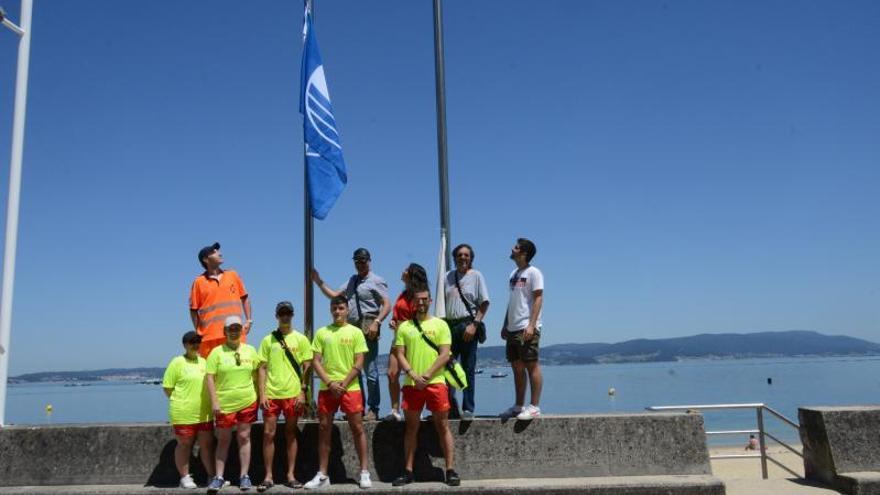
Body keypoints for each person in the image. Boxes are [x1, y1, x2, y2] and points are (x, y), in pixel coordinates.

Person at [311, 248, 391, 421]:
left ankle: (374, 408)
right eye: (357, 261)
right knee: (355, 371)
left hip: (369, 326)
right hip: (352, 328)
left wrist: (377, 322)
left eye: (363, 260)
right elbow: (334, 295)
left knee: (370, 370)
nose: (360, 264)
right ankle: (358, 409)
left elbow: (386, 304)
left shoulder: (377, 280)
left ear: (369, 260)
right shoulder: (351, 281)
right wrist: (318, 281)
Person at [392, 287, 460, 487]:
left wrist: (428, 374)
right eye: (417, 300)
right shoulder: (404, 327)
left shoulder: (441, 325)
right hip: (412, 384)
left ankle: (450, 470)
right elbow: (400, 354)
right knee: (411, 428)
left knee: (443, 426)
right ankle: (408, 471)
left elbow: (445, 354)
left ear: (430, 300)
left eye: (424, 299)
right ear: (412, 302)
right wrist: (413, 374)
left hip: (436, 383)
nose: (420, 303)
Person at [304, 295, 372, 490]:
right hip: (327, 388)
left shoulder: (356, 332)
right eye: (334, 308)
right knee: (324, 429)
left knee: (357, 428)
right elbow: (316, 360)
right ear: (330, 310)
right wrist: (329, 382)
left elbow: (359, 361)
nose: (337, 311)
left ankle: (364, 472)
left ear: (347, 309)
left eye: (341, 308)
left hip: (350, 387)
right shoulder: (322, 332)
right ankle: (323, 474)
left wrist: (343, 382)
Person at [256, 301, 313, 492]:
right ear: (277, 316)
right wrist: (262, 394)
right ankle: (268, 476)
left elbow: (307, 366)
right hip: (272, 394)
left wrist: (302, 391)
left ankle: (291, 475)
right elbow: (262, 368)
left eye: (288, 313)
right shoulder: (267, 340)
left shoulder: (301, 339)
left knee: (291, 433)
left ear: (292, 314)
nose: (285, 316)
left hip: (293, 393)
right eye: (282, 313)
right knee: (268, 434)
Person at [205, 316, 260, 493]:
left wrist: (260, 396)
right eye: (230, 328)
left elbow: (257, 374)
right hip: (224, 404)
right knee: (223, 440)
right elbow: (210, 378)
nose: (234, 331)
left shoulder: (251, 350)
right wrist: (214, 401)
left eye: (237, 328)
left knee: (244, 437)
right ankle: (219, 477)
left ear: (242, 330)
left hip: (247, 401)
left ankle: (244, 476)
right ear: (225, 331)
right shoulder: (216, 352)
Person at [162, 331, 216, 489]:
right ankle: (184, 477)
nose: (195, 345)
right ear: (185, 344)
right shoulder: (177, 362)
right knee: (184, 445)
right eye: (192, 342)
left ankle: (212, 476)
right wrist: (182, 401)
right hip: (183, 413)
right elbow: (167, 388)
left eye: (198, 342)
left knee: (207, 446)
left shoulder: (204, 362)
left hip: (204, 413)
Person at [499, 238, 544, 421]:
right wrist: (505, 324)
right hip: (513, 327)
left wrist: (532, 324)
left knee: (531, 364)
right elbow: (513, 301)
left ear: (524, 253)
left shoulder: (534, 273)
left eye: (516, 247)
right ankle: (519, 405)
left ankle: (534, 406)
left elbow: (538, 298)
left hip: (527, 326)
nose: (512, 248)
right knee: (516, 367)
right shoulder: (513, 274)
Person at [444, 244, 489, 420]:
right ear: (455, 257)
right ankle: (450, 406)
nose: (463, 258)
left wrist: (475, 325)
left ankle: (468, 408)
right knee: (448, 368)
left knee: (468, 368)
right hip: (449, 326)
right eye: (460, 255)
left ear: (471, 258)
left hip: (468, 325)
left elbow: (484, 303)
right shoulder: (447, 277)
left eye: (466, 255)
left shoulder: (476, 276)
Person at [190, 242, 253, 358]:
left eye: (218, 251)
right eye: (214, 252)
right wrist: (199, 331)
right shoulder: (198, 282)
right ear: (205, 259)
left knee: (238, 369)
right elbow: (193, 310)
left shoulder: (233, 275)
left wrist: (249, 320)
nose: (219, 253)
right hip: (209, 337)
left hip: (235, 332)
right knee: (212, 373)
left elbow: (245, 298)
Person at [385, 263, 428, 422]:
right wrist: (393, 322)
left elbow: (421, 317)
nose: (402, 271)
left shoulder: (420, 294)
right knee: (392, 373)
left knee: (413, 374)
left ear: (411, 275)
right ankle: (395, 410)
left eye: (406, 270)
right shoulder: (403, 294)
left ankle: (417, 408)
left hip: (413, 338)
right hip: (397, 338)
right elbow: (397, 314)